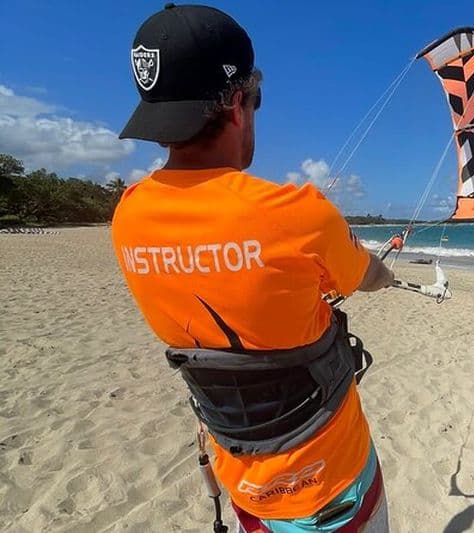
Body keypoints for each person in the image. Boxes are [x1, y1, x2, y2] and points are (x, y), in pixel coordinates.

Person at [111, 4, 394, 532]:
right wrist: (385, 270)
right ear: (239, 102)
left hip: (242, 484)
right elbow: (367, 277)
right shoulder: (298, 213)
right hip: (332, 488)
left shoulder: (127, 216)